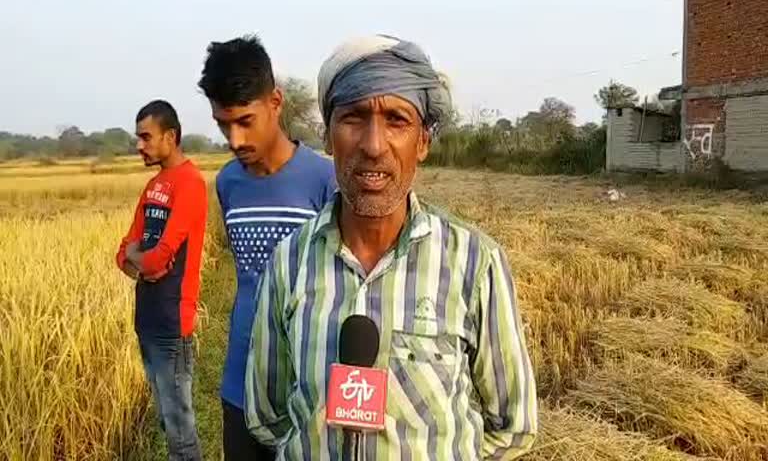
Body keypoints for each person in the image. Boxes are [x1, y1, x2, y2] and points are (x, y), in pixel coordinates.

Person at [244, 35, 538, 459]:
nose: (374, 144)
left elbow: (514, 426)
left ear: (422, 142)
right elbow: (269, 415)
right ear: (327, 137)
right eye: (354, 117)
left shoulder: (475, 263)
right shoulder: (289, 262)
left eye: (397, 120)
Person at [198, 35, 336, 461]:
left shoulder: (326, 181)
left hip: (308, 385)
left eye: (245, 120)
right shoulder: (228, 183)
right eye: (223, 124)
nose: (235, 139)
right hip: (241, 381)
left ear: (275, 101)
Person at [116, 99, 207, 460]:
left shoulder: (190, 184)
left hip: (172, 320)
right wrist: (140, 261)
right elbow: (123, 252)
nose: (140, 145)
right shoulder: (154, 186)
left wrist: (141, 259)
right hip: (147, 317)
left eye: (146, 137)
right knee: (165, 418)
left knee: (179, 425)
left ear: (170, 136)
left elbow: (160, 255)